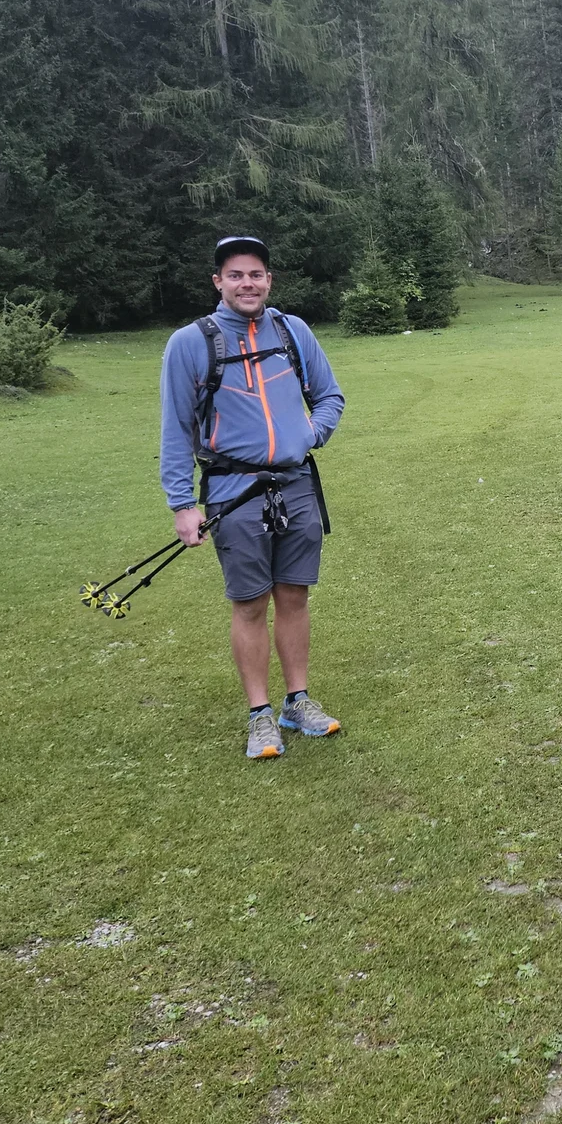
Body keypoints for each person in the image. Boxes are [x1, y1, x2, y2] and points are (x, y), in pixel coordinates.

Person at [161, 236, 347, 760]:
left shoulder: (292, 331)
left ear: (269, 280)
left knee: (295, 595)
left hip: (296, 485)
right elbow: (175, 429)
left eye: (257, 274)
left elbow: (330, 396)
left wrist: (311, 435)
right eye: (237, 275)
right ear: (218, 281)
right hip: (233, 491)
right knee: (249, 604)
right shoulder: (190, 343)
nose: (248, 283)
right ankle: (260, 715)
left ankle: (297, 701)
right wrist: (182, 504)